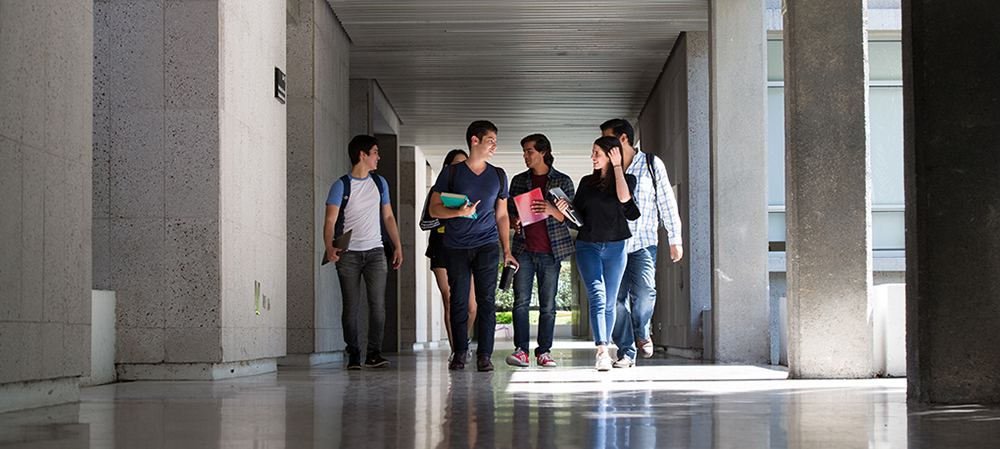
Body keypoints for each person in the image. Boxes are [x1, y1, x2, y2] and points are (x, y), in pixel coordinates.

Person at [428, 120, 518, 371]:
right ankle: (460, 352)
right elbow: (434, 209)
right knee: (457, 300)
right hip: (455, 245)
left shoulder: (499, 175)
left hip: (487, 244)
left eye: (496, 142)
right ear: (474, 141)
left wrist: (507, 250)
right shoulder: (452, 173)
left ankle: (485, 356)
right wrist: (459, 212)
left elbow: (501, 215)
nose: (495, 146)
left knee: (486, 300)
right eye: (490, 140)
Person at [599, 119, 684, 368]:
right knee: (615, 300)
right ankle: (627, 351)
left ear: (623, 138)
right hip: (613, 245)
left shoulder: (650, 163)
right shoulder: (605, 167)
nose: (604, 146)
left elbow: (667, 202)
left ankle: (643, 331)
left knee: (645, 294)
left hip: (644, 242)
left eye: (608, 139)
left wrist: (674, 238)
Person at [323, 134, 403, 370]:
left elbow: (388, 216)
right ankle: (354, 355)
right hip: (348, 254)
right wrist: (329, 246)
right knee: (351, 306)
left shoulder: (379, 184)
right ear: (363, 154)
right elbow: (330, 220)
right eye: (375, 152)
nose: (378, 157)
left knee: (378, 305)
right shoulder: (341, 185)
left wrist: (397, 245)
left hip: (376, 252)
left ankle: (373, 354)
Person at [562, 135, 639, 371]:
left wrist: (617, 167)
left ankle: (608, 346)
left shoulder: (627, 179)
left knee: (610, 301)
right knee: (597, 295)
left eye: (597, 153)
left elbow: (625, 200)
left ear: (611, 154)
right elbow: (579, 220)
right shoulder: (586, 183)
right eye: (593, 152)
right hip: (588, 245)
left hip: (616, 246)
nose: (592, 157)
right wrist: (566, 210)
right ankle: (602, 351)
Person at [504, 134, 575, 368]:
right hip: (523, 248)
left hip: (550, 251)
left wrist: (552, 209)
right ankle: (521, 350)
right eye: (524, 151)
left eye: (529, 151)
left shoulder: (562, 182)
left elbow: (573, 220)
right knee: (520, 302)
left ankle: (544, 351)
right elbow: (508, 213)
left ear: (543, 152)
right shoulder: (517, 181)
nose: (525, 156)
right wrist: (513, 221)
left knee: (548, 305)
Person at [423, 149, 476, 365]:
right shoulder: (437, 192)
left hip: (468, 249)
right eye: (456, 165)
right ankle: (457, 351)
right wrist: (452, 215)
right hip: (442, 248)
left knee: (471, 306)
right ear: (447, 168)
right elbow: (425, 222)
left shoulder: (473, 190)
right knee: (450, 300)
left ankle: (462, 341)